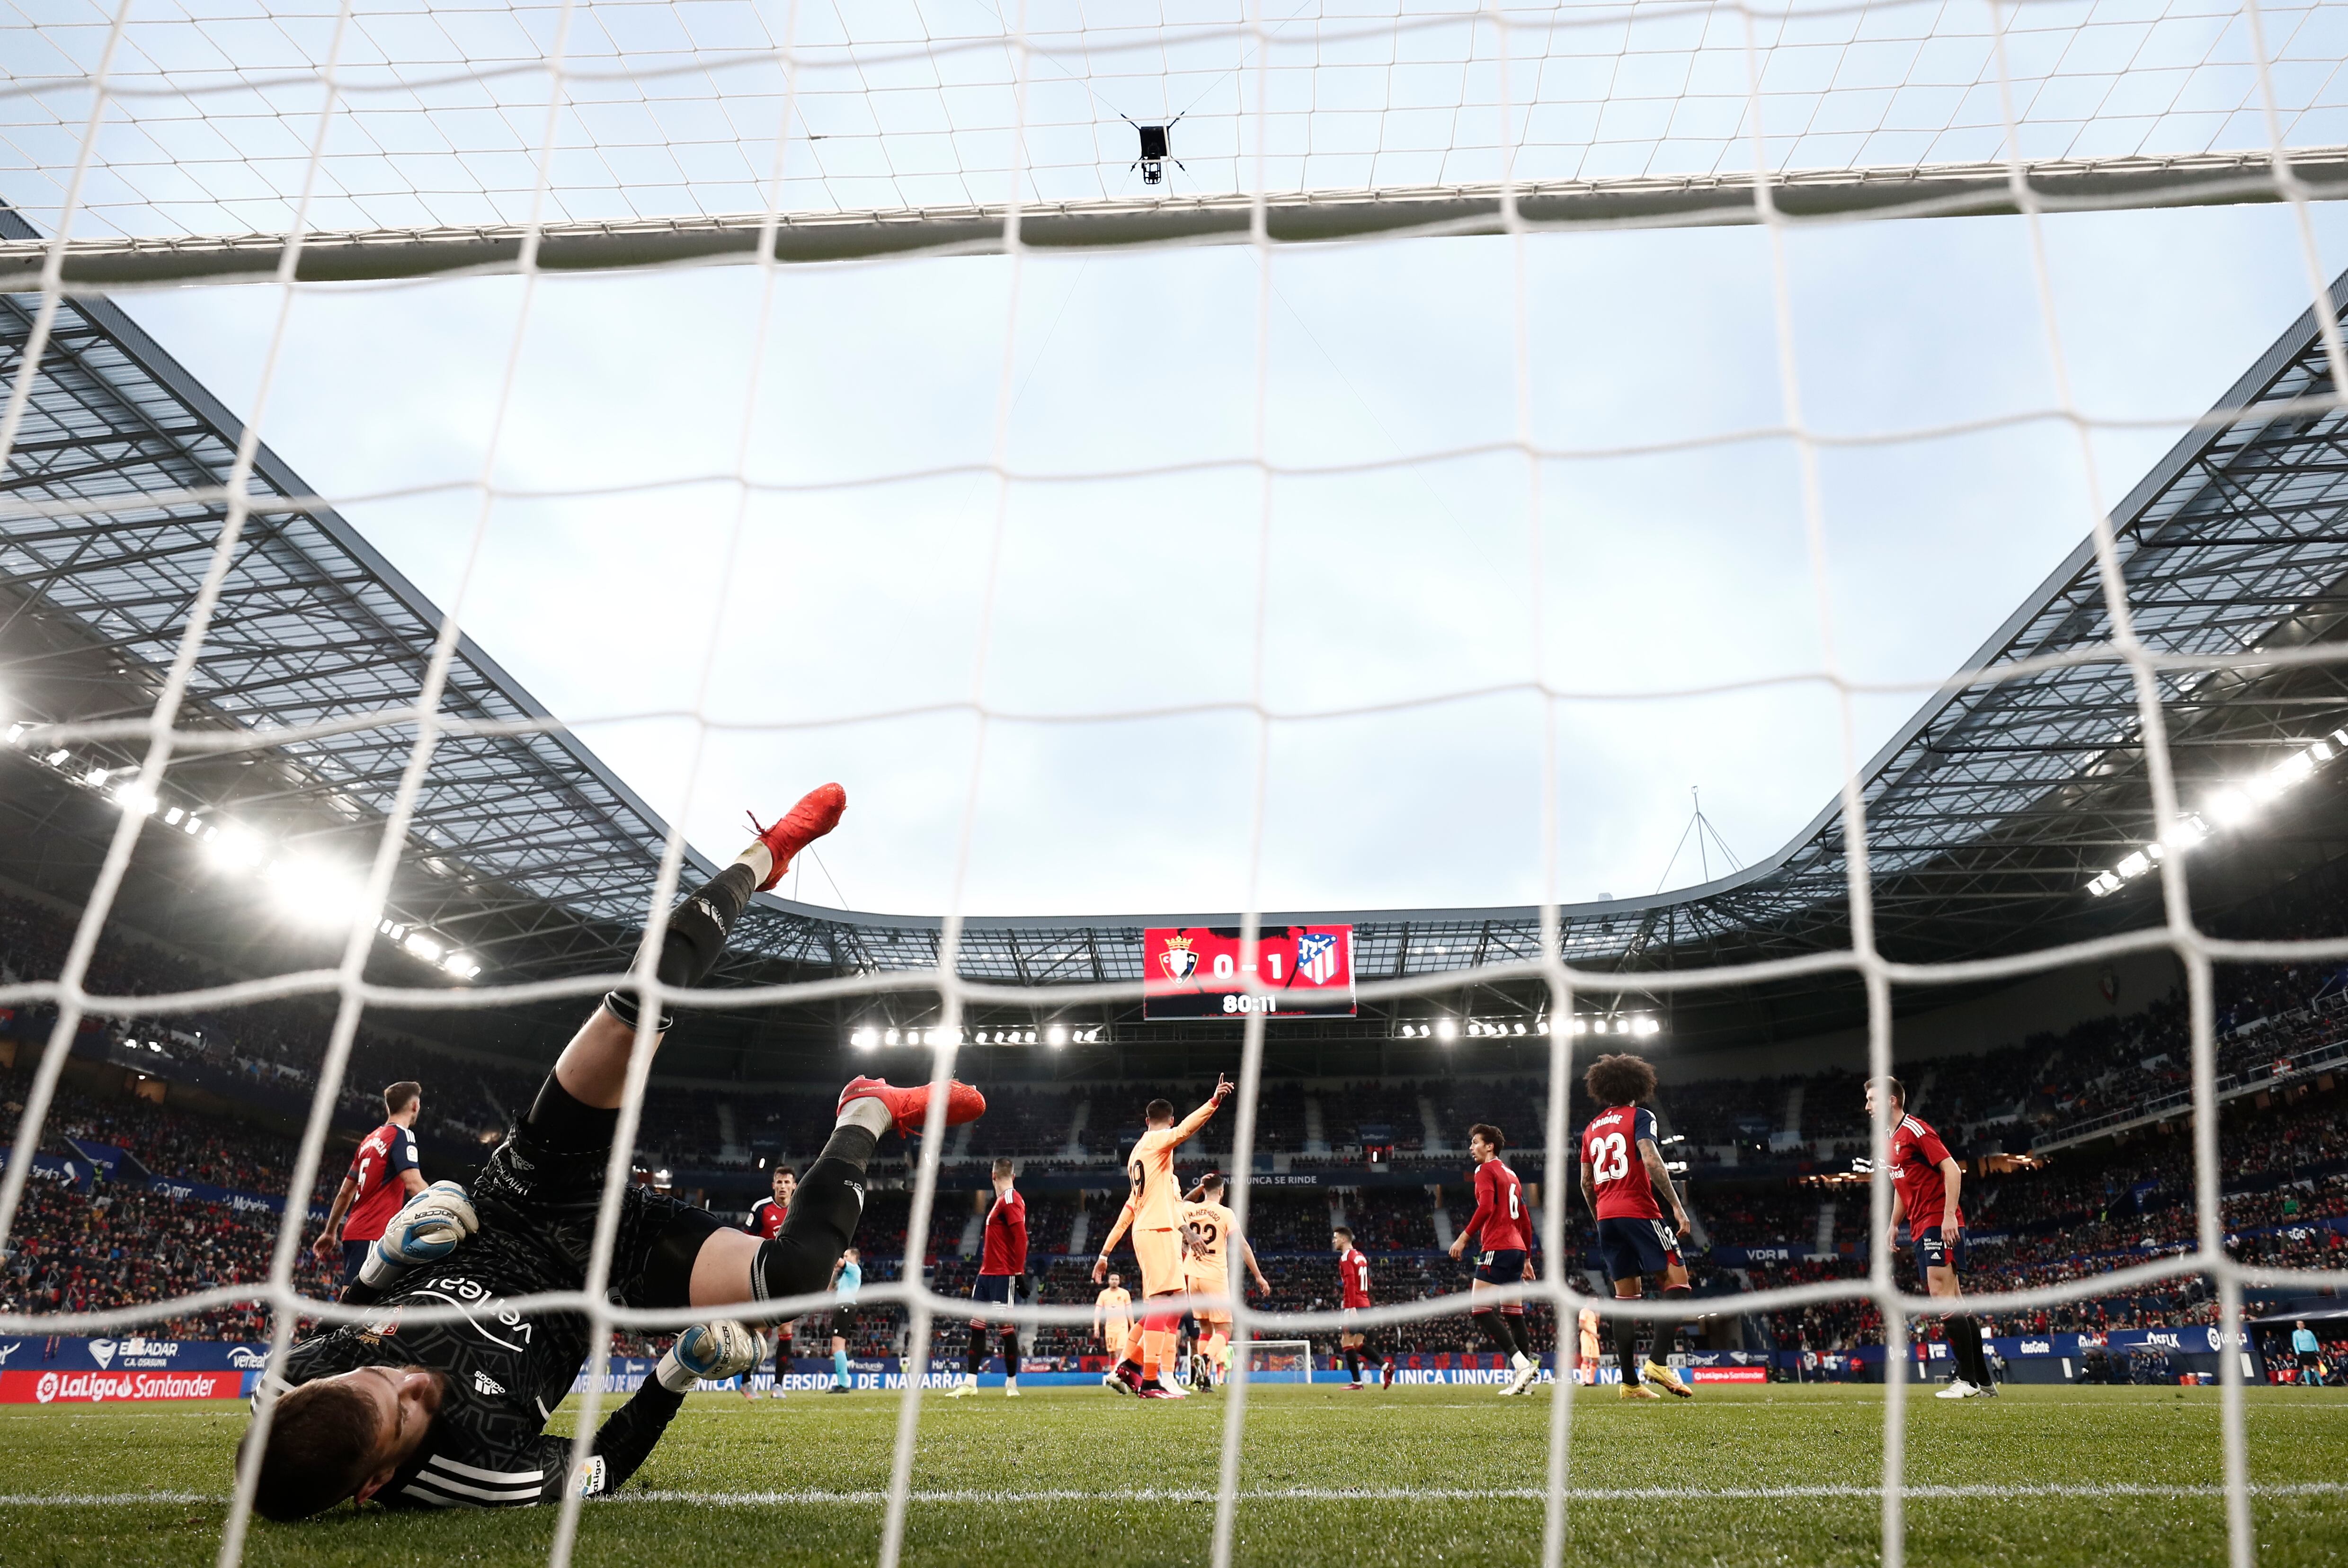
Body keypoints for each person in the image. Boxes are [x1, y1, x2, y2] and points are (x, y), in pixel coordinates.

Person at [243, 785, 989, 1518]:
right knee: (793, 1278)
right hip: (600, 1272)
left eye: (379, 1373)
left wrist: (385, 1265)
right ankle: (870, 1110)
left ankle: (769, 853)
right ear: (377, 1485)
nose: (406, 1379)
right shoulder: (472, 1469)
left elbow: (345, 1328)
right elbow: (599, 1468)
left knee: (642, 1005)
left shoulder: (296, 1382)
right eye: (403, 1413)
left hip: (519, 1201)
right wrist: (675, 1374)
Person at [1093, 1078, 1234, 1399]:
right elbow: (1186, 1131)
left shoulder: (1138, 1158)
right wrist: (1213, 1102)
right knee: (1162, 1304)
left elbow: (1132, 1207)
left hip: (1157, 1231)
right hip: (1156, 1232)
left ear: (1146, 1120)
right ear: (1167, 1120)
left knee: (1175, 1304)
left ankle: (1131, 1367)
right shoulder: (1157, 1143)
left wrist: (1105, 1252)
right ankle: (1150, 1380)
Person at [1578, 1052, 1694, 1402]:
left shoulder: (1590, 1128)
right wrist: (1676, 1206)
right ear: (1637, 1085)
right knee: (1678, 1284)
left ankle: (1629, 1385)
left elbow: (1586, 1183)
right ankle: (1658, 1363)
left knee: (1625, 1300)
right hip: (1640, 1212)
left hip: (1607, 1218)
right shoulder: (1640, 1116)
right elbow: (1650, 1158)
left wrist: (1601, 1216)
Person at [1868, 1076, 1992, 1400]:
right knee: (1957, 1302)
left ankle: (1968, 1382)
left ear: (1892, 1101)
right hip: (1921, 1224)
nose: (1868, 1107)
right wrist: (1895, 1224)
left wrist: (1950, 1215)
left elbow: (1952, 1169)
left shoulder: (1916, 1130)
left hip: (1938, 1220)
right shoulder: (1887, 1140)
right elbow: (1902, 1185)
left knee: (1941, 1296)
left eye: (1872, 1099)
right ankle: (1983, 1380)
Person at [1447, 1122, 1541, 1396]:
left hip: (1497, 1247)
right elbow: (1525, 1219)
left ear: (1490, 1146)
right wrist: (1527, 1258)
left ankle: (1522, 1365)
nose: (1471, 1147)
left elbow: (1487, 1207)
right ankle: (1525, 1383)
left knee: (1480, 1310)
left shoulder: (1484, 1170)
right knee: (1514, 1314)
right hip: (1516, 1250)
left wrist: (1464, 1237)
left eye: (1475, 1142)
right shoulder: (1511, 1175)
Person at [311, 1082, 429, 1286]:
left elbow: (345, 1193)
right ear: (415, 1106)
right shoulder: (402, 1136)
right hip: (375, 1232)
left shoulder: (369, 1140)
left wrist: (330, 1232)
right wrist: (443, 1204)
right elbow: (413, 1184)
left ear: (387, 1107)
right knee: (358, 1307)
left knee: (362, 1303)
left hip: (354, 1231)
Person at [1179, 1172, 1270, 1390]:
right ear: (1222, 1191)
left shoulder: (1190, 1209)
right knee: (1226, 1329)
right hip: (1215, 1277)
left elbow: (1182, 1202)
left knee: (1205, 1330)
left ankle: (1204, 1381)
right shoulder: (1226, 1213)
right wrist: (1258, 1276)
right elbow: (1243, 1246)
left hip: (1193, 1277)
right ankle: (1207, 1358)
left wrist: (1200, 1187)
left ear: (1204, 1189)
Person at [948, 1158, 1027, 1399]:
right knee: (977, 1328)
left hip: (1003, 1276)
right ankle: (971, 1383)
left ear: (992, 1176)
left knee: (1006, 1329)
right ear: (1013, 1176)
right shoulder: (1000, 1202)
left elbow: (1021, 1238)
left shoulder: (1011, 1199)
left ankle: (1011, 1384)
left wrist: (1019, 1272)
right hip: (985, 1276)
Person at [740, 1166, 796, 1399]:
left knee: (786, 1328)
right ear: (773, 1185)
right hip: (763, 1276)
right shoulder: (761, 1208)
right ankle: (746, 1381)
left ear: (794, 1186)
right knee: (760, 1330)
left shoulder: (800, 1209)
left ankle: (778, 1387)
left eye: (787, 1183)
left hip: (788, 1276)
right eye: (779, 1182)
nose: (783, 1187)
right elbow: (745, 1239)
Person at [1332, 1226, 1376, 1390]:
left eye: (1336, 1238)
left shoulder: (1346, 1258)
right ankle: (1385, 1366)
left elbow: (1350, 1284)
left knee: (1346, 1341)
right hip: (1365, 1303)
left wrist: (1351, 1309)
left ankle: (1357, 1382)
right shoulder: (1361, 1256)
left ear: (1344, 1239)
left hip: (1355, 1305)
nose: (1334, 1241)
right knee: (1358, 1343)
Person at [827, 1247, 863, 1392]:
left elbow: (839, 1261)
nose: (844, 1257)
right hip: (841, 1308)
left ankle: (844, 1384)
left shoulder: (854, 1269)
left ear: (854, 1257)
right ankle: (842, 1383)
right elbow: (830, 1289)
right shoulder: (845, 1276)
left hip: (846, 1307)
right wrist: (835, 1272)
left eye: (846, 1255)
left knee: (838, 1345)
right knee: (837, 1346)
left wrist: (830, 1248)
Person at [1094, 1271, 1133, 1366]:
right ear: (1109, 1281)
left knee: (1120, 1352)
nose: (1114, 1281)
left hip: (1122, 1327)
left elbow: (1130, 1311)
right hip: (1110, 1328)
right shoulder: (1103, 1294)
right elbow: (1097, 1312)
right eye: (1112, 1279)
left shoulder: (1125, 1293)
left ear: (1119, 1281)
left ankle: (1119, 1375)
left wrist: (1132, 1327)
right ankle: (1113, 1375)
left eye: (1116, 1279)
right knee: (1112, 1353)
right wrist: (1096, 1328)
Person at [2292, 1320, 2325, 1387]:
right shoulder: (2296, 1334)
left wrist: (2317, 1350)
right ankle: (2308, 1383)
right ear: (2297, 1326)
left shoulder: (2309, 1332)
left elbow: (2314, 1341)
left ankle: (2321, 1383)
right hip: (2303, 1352)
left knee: (2316, 1367)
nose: (2300, 1326)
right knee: (2306, 1367)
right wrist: (2298, 1352)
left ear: (2304, 1325)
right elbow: (2295, 1344)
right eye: (2299, 1324)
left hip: (2312, 1351)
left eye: (2302, 1324)